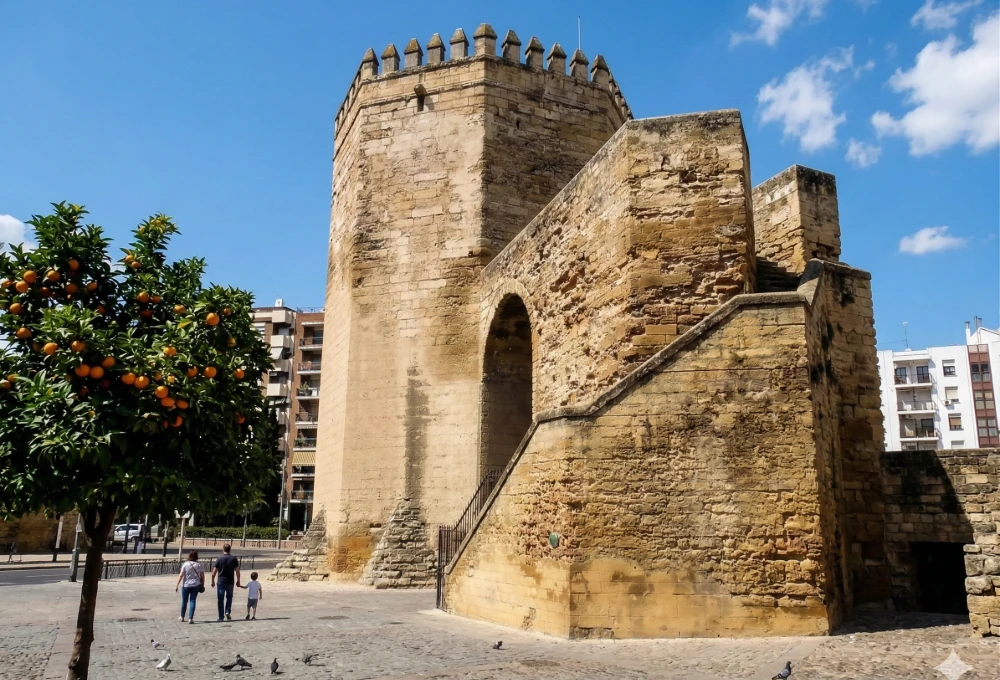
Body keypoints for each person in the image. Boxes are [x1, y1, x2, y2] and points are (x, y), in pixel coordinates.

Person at [211, 544, 241, 621]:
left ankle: (221, 616)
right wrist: (238, 580)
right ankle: (227, 611)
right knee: (229, 597)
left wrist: (212, 581)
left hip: (221, 581)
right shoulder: (234, 559)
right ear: (230, 550)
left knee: (220, 599)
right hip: (230, 581)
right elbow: (237, 571)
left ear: (223, 549)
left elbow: (214, 572)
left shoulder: (219, 559)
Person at [175, 550, 204, 624]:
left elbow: (181, 575)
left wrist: (177, 584)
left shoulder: (185, 564)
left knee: (184, 601)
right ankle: (190, 618)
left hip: (186, 585)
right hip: (196, 585)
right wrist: (202, 584)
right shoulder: (199, 565)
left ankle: (182, 616)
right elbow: (202, 576)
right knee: (193, 601)